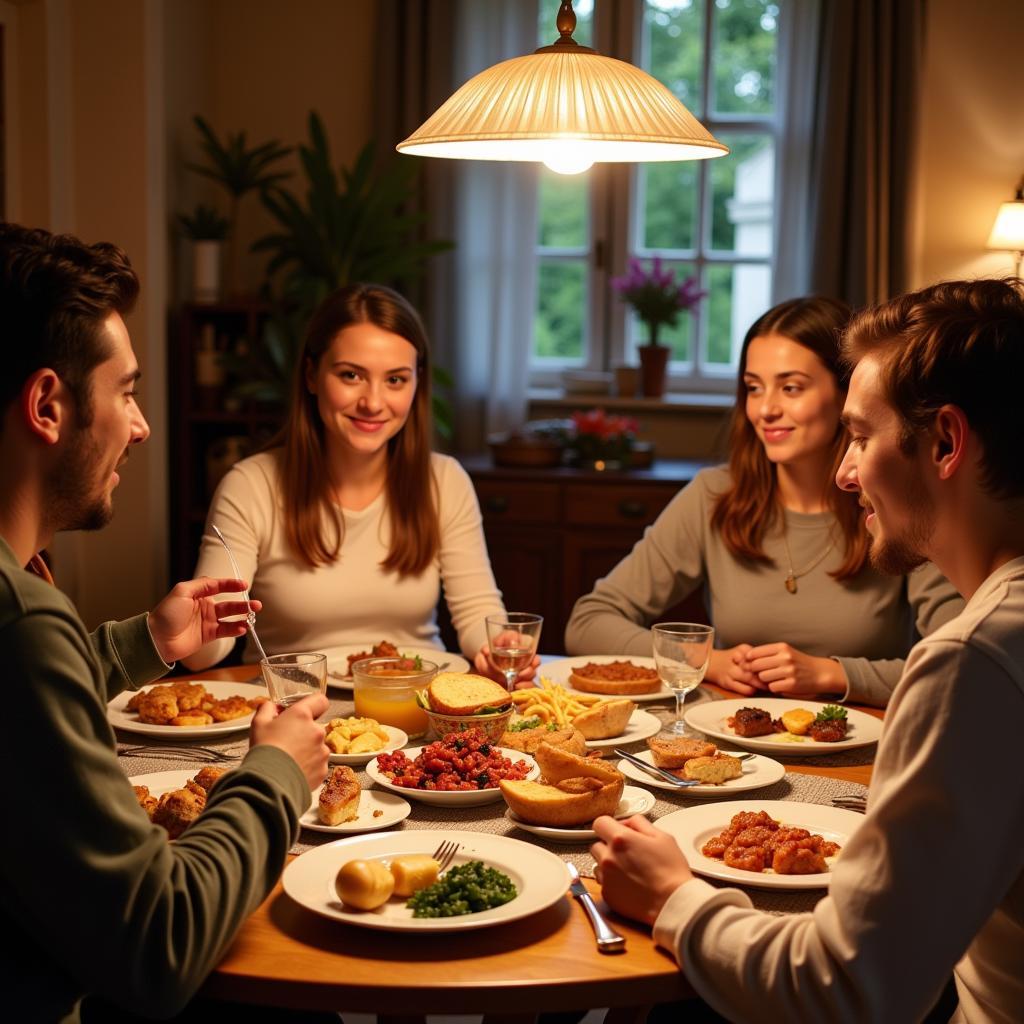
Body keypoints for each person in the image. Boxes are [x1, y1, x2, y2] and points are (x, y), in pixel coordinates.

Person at [591, 278, 1024, 1023]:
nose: (848, 472)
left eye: (861, 435)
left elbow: (849, 990)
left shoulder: (973, 661)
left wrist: (673, 896)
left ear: (946, 442)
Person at [0, 223, 330, 1021]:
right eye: (126, 392)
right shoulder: (22, 619)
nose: (142, 426)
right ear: (49, 405)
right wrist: (277, 772)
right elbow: (160, 943)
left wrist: (142, 643)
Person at [565, 296, 961, 706]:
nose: (766, 409)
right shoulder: (714, 495)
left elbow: (959, 668)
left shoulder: (897, 503)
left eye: (791, 388)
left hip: (861, 746)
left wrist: (832, 673)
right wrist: (705, 661)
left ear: (847, 393)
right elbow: (588, 622)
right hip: (734, 742)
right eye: (754, 388)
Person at [183, 283, 538, 684]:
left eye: (395, 380)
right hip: (294, 712)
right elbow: (205, 648)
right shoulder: (249, 485)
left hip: (417, 704)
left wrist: (496, 648)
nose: (373, 402)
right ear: (312, 375)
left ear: (417, 383)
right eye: (351, 375)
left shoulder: (445, 480)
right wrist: (189, 633)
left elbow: (475, 614)